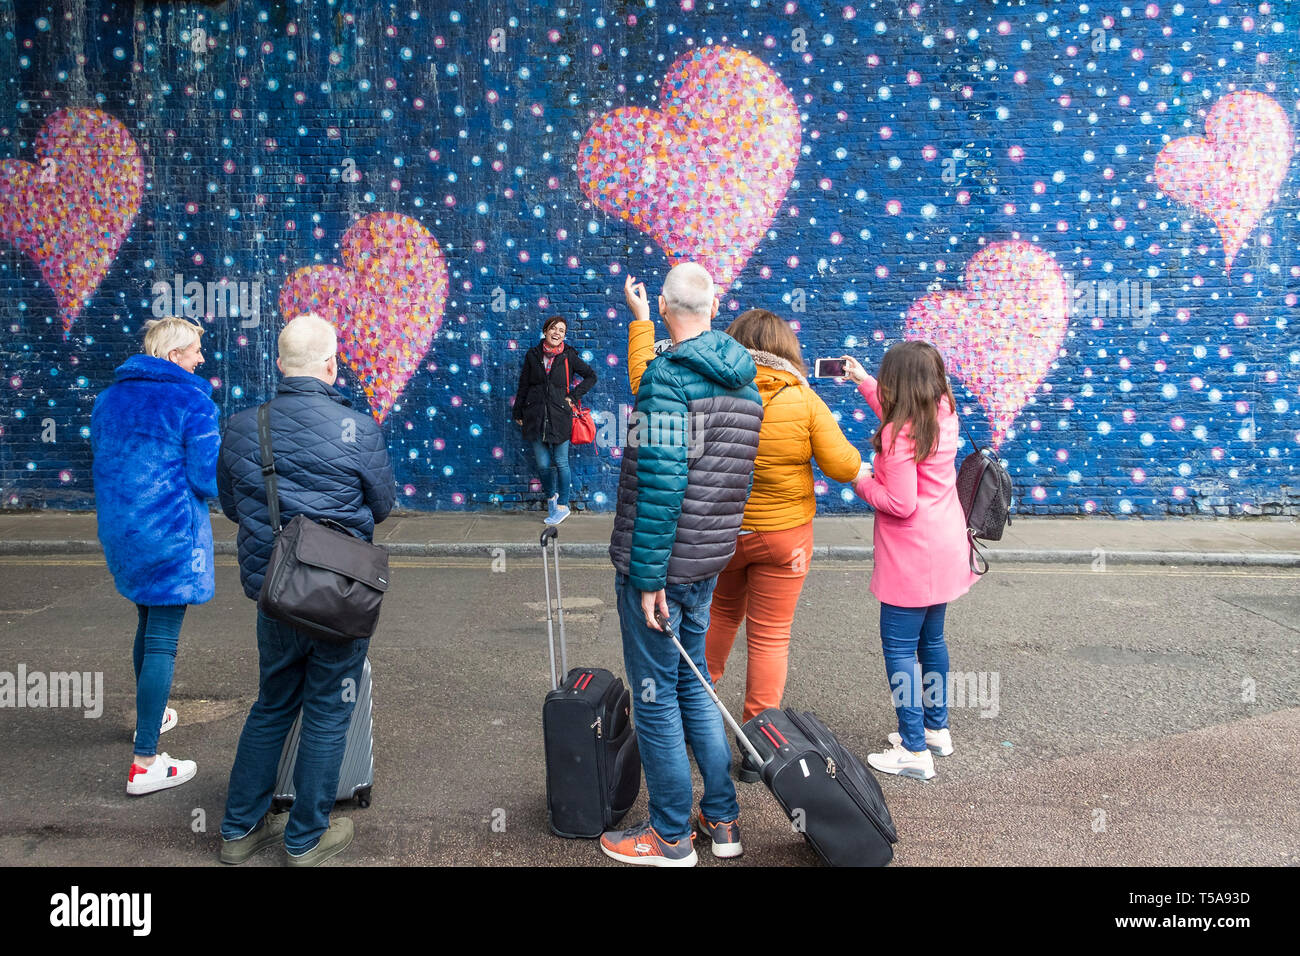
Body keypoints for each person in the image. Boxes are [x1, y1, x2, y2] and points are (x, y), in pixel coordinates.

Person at [628, 308, 869, 782]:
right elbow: (843, 466)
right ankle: (759, 748)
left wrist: (641, 321)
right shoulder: (803, 397)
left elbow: (644, 381)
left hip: (722, 532)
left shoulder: (712, 384)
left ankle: (695, 723)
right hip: (785, 539)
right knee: (770, 636)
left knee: (715, 621)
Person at [216, 313, 395, 866]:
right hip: (339, 596)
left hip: (275, 593)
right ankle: (304, 838)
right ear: (331, 364)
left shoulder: (245, 426)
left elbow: (230, 506)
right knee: (326, 710)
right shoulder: (357, 428)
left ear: (278, 363)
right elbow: (383, 506)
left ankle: (238, 831)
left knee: (272, 704)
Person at [602, 264, 762, 866]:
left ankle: (669, 837)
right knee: (695, 686)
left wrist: (647, 578)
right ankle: (721, 821)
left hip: (664, 567)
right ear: (714, 303)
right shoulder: (745, 382)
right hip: (708, 560)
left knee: (656, 696)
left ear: (666, 305)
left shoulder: (667, 381)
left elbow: (663, 483)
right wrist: (642, 327)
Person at [92, 317, 220, 797]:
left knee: (146, 624)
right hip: (172, 535)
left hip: (124, 532)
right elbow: (207, 478)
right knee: (163, 639)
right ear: (172, 358)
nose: (201, 359)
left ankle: (153, 714)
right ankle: (145, 760)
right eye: (194, 352)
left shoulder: (108, 400)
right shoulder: (192, 402)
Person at [841, 344, 979, 781]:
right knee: (932, 642)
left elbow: (899, 503)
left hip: (911, 553)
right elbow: (900, 406)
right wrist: (863, 381)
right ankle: (936, 730)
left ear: (899, 383)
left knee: (900, 649)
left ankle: (914, 750)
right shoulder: (944, 411)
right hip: (946, 544)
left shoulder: (898, 434)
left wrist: (860, 479)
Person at [512, 315, 597, 525]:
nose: (557, 333)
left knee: (561, 462)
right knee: (542, 464)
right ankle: (551, 497)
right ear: (546, 330)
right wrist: (518, 412)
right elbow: (524, 385)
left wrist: (572, 397)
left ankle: (563, 505)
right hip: (535, 416)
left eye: (561, 330)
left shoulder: (569, 356)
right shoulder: (532, 355)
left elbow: (591, 376)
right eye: (553, 328)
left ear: (564, 335)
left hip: (560, 416)